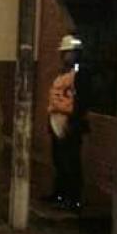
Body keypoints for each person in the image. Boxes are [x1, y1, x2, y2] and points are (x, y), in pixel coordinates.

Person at [46, 35, 90, 212]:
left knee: (70, 162)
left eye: (67, 53)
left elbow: (82, 100)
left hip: (70, 122)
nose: (64, 56)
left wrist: (73, 121)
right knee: (59, 160)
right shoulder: (64, 72)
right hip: (57, 120)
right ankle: (59, 193)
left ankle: (73, 198)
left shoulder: (80, 74)